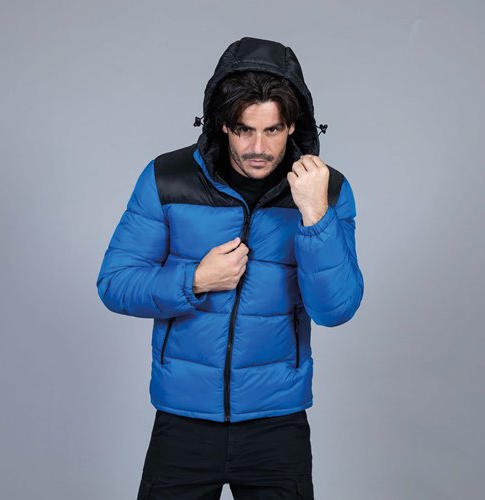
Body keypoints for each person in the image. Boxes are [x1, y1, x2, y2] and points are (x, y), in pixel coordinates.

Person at [96, 36, 364, 499]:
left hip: (277, 424)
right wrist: (195, 280)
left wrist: (315, 216)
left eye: (273, 130)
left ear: (293, 126)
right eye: (244, 130)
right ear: (222, 124)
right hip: (183, 421)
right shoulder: (167, 178)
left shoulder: (327, 191)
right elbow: (115, 283)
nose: (258, 147)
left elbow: (335, 308)